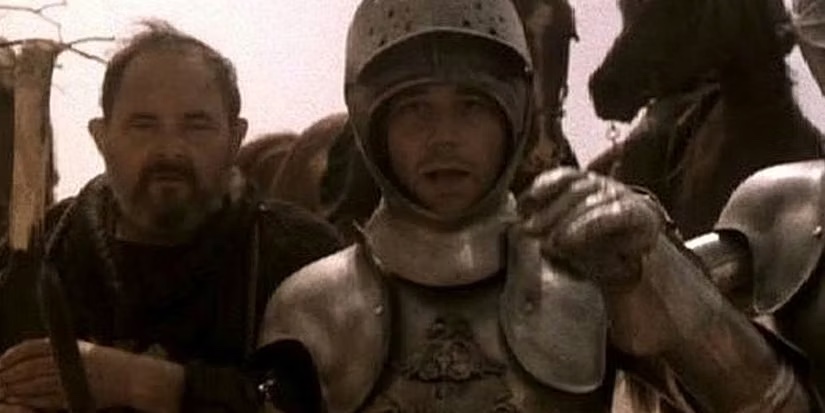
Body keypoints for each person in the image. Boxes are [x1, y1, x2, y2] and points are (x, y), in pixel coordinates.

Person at [252, 0, 815, 411]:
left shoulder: (589, 279)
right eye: (413, 109)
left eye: (472, 106)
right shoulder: (309, 306)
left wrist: (667, 281)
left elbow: (773, 405)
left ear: (513, 112)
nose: (444, 137)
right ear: (373, 122)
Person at [0, 21, 342, 412]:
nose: (170, 150)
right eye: (143, 125)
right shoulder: (40, 259)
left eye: (196, 126)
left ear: (235, 138)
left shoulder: (302, 261)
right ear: (102, 137)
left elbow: (326, 398)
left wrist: (153, 385)